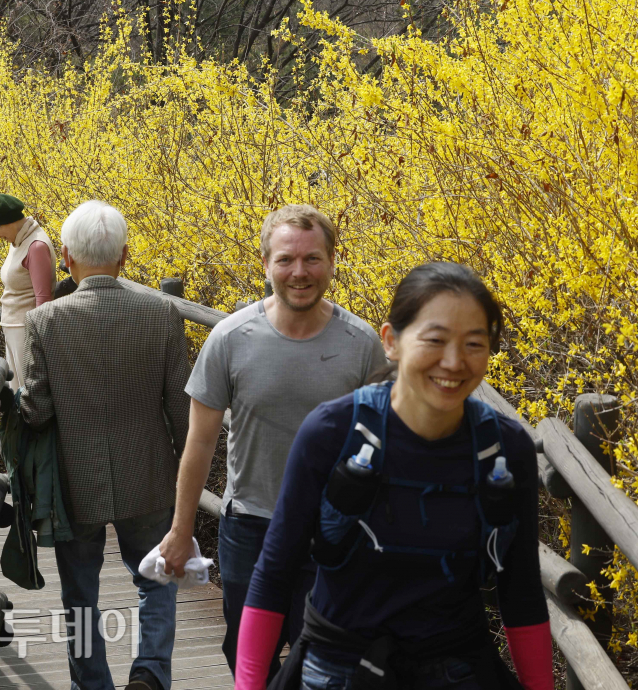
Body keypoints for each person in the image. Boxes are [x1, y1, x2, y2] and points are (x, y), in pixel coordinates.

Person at [235, 263, 553, 690]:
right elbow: (275, 570)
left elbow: (521, 589)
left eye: (474, 344)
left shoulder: (505, 449)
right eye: (435, 340)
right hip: (338, 671)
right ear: (391, 341)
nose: (454, 362)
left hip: (455, 670)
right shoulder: (333, 432)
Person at [159, 204, 387, 677]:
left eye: (312, 258)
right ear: (265, 264)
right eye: (285, 259)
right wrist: (181, 531)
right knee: (248, 658)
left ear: (332, 262)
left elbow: (383, 445)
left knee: (321, 662)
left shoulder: (361, 343)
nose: (299, 272)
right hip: (251, 527)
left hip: (333, 530)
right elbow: (199, 443)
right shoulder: (230, 338)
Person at [19, 200, 192, 690]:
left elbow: (36, 410)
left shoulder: (45, 321)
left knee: (80, 594)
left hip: (75, 481)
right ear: (124, 256)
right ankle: (150, 673)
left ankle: (93, 684)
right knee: (156, 579)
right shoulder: (162, 313)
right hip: (149, 474)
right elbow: (182, 409)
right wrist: (185, 475)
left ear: (66, 258)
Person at [0, 192, 56, 390]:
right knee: (15, 388)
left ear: (8, 221)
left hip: (26, 331)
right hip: (14, 327)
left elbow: (43, 299)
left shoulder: (35, 246)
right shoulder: (18, 242)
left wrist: (38, 342)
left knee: (27, 389)